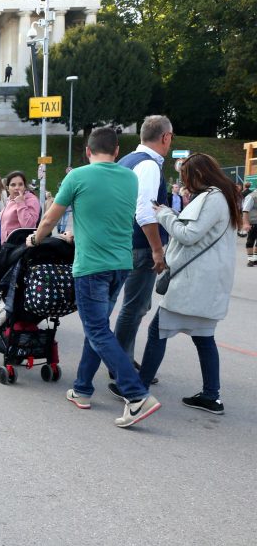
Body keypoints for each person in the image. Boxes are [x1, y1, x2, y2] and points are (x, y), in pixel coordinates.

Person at [25, 127, 160, 428]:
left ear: (87, 150)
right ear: (116, 152)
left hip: (91, 266)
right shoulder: (130, 177)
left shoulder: (77, 177)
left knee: (97, 329)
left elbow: (49, 218)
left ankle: (136, 394)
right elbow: (106, 215)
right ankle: (83, 388)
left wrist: (34, 240)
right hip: (120, 265)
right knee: (97, 327)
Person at [135, 154, 240, 415]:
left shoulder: (212, 197)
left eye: (186, 177)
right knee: (204, 338)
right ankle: (211, 396)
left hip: (194, 281)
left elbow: (188, 234)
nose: (185, 183)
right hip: (207, 281)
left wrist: (164, 214)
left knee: (158, 330)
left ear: (198, 175)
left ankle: (138, 389)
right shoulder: (221, 196)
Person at [113, 115, 173, 369]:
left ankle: (122, 357)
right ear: (165, 137)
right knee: (134, 307)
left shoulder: (127, 160)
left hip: (123, 241)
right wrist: (157, 249)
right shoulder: (149, 165)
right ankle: (120, 364)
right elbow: (145, 212)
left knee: (134, 305)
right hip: (139, 244)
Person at [0, 170, 40, 241]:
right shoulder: (10, 199)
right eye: (13, 185)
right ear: (7, 188)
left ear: (24, 187)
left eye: (20, 184)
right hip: (7, 245)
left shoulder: (31, 200)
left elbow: (29, 225)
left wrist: (20, 203)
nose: (17, 188)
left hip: (20, 246)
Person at [242, 186, 257, 266]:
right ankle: (250, 260)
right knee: (251, 240)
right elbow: (245, 210)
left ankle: (255, 259)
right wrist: (245, 223)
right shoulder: (251, 196)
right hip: (253, 222)